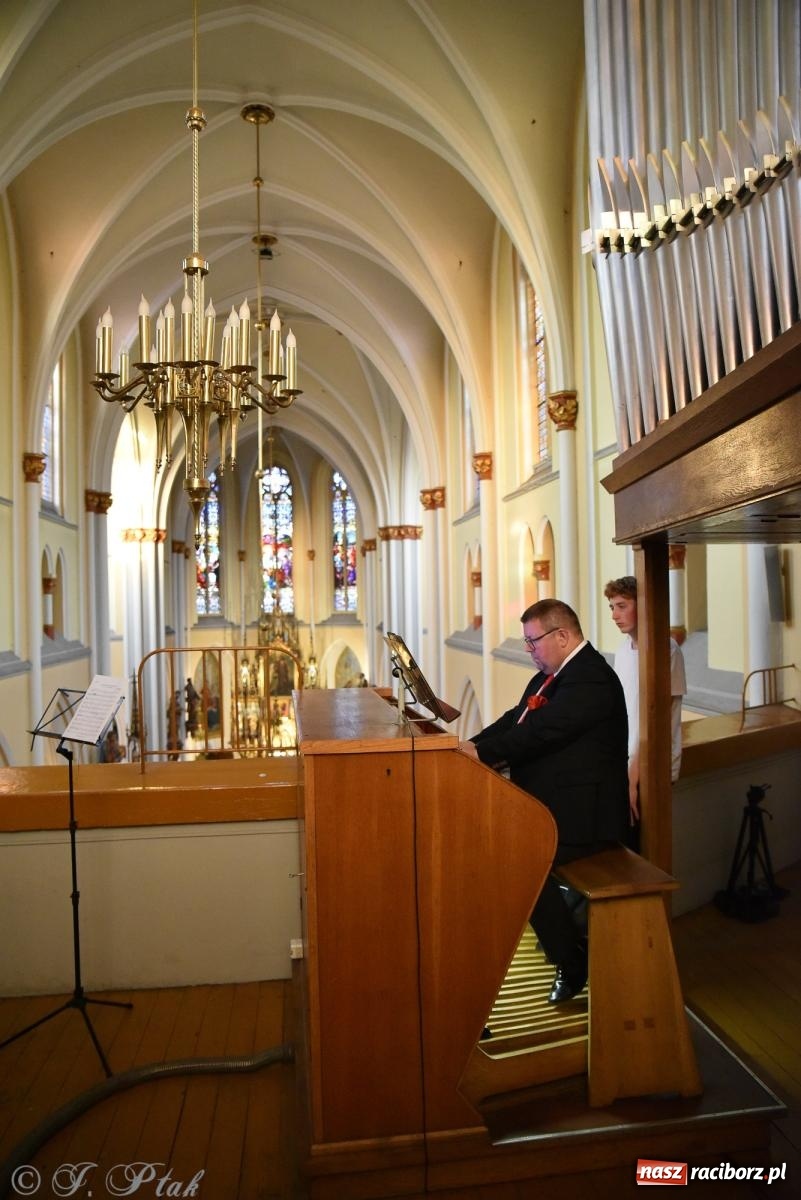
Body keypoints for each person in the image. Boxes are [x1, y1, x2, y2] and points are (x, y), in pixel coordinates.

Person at [461, 599, 629, 1004]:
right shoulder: (550, 677)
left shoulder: (590, 678)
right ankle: (558, 942)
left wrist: (481, 757)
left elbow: (542, 733)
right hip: (553, 808)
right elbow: (517, 719)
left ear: (563, 636)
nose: (529, 650)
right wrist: (469, 744)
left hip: (587, 818)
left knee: (520, 866)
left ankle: (572, 960)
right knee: (502, 856)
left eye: (533, 641)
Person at [604, 576, 686, 829]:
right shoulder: (623, 650)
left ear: (642, 605)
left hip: (652, 764)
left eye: (622, 606)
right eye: (612, 607)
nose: (615, 615)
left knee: (649, 846)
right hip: (627, 761)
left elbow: (655, 719)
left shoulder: (666, 650)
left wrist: (632, 778)